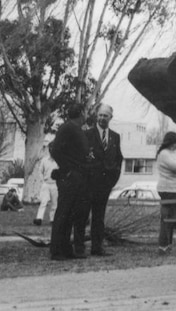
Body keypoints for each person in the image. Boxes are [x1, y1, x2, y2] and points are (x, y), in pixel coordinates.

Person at [49, 102, 91, 260]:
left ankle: (66, 249)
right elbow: (55, 150)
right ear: (81, 113)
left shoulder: (76, 129)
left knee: (71, 214)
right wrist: (67, 170)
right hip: (70, 177)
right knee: (63, 213)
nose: (86, 115)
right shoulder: (67, 128)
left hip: (78, 176)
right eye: (85, 112)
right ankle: (57, 250)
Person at [83, 103, 124, 256]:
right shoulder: (88, 134)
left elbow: (119, 158)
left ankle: (97, 247)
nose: (102, 118)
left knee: (99, 217)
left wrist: (113, 178)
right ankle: (79, 247)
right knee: (83, 216)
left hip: (105, 185)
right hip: (89, 184)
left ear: (110, 118)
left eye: (105, 116)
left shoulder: (115, 136)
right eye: (100, 115)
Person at [155, 131, 176, 253]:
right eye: (175, 142)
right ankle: (163, 245)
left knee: (172, 218)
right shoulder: (164, 154)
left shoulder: (173, 154)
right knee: (166, 218)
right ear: (170, 142)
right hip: (167, 189)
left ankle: (168, 244)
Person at [34, 134, 58, 225]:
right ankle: (39, 218)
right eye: (50, 148)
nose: (51, 150)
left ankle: (53, 219)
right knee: (43, 201)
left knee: (55, 203)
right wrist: (42, 180)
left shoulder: (58, 161)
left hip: (55, 184)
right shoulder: (44, 160)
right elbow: (40, 171)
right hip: (46, 183)